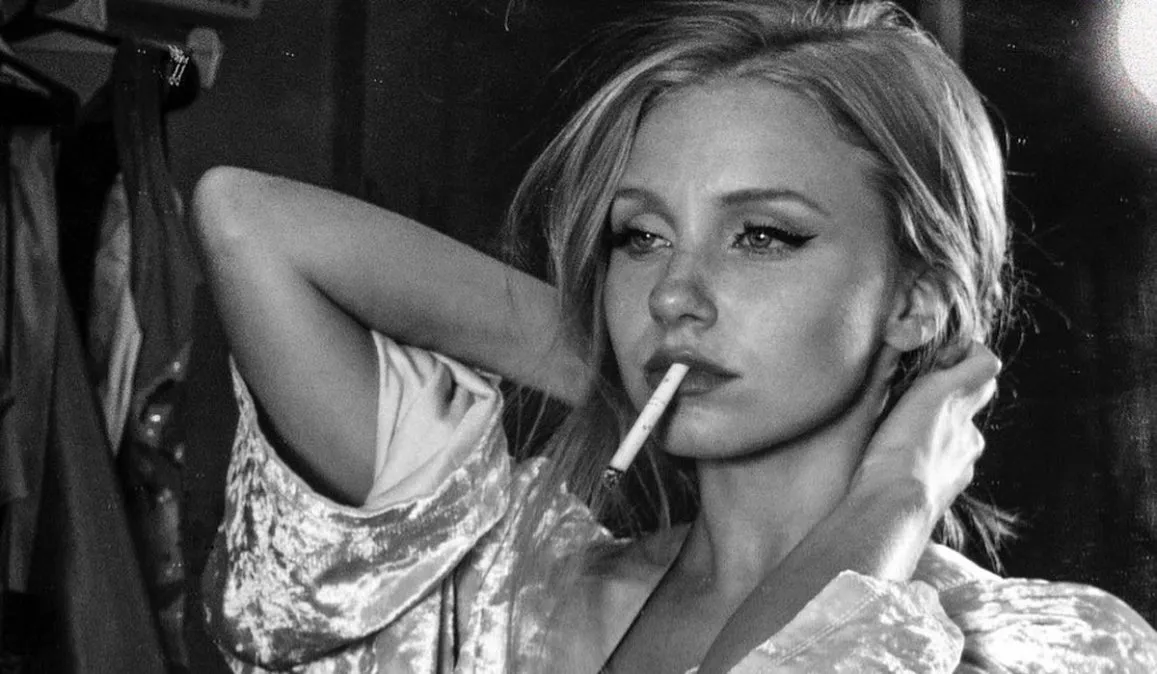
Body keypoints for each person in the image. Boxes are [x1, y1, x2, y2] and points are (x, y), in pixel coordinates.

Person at [193, 1, 1157, 672]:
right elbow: (247, 220)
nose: (671, 295)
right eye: (641, 238)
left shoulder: (1056, 653)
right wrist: (600, 361)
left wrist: (891, 502)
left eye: (762, 235)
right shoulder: (494, 585)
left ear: (918, 300)